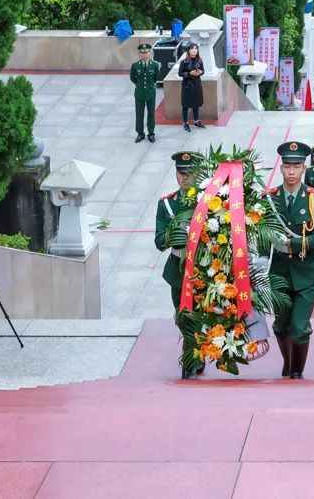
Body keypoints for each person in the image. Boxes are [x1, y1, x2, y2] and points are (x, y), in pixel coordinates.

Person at [268, 141, 314, 379]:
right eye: (287, 166)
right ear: (281, 168)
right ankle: (287, 363)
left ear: (304, 168)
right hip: (280, 271)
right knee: (281, 326)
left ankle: (297, 372)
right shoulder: (271, 199)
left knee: (299, 327)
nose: (291, 172)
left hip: (306, 272)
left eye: (296, 166)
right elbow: (264, 237)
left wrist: (289, 243)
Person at [155, 151, 203, 378]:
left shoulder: (208, 201)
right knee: (182, 315)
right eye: (180, 173)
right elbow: (158, 240)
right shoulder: (166, 204)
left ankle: (190, 365)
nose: (184, 178)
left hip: (203, 267)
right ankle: (197, 351)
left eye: (189, 173)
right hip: (178, 268)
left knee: (197, 314)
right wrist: (173, 236)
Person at [130, 43, 160, 143]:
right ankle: (140, 133)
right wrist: (139, 85)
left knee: (151, 114)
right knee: (139, 114)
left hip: (150, 93)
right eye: (142, 53)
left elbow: (156, 78)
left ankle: (151, 133)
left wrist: (150, 86)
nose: (144, 54)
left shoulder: (155, 65)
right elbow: (132, 78)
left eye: (146, 52)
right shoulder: (135, 66)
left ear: (149, 53)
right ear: (140, 54)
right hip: (139, 94)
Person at [178, 41, 205, 131]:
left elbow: (203, 70)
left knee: (196, 104)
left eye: (196, 49)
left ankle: (196, 121)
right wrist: (190, 73)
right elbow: (180, 73)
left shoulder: (200, 60)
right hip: (187, 86)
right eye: (192, 49)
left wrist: (200, 72)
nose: (194, 50)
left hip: (197, 85)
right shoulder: (184, 62)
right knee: (185, 105)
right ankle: (185, 122)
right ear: (189, 51)